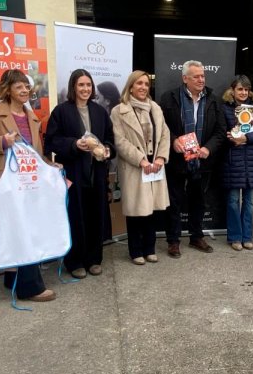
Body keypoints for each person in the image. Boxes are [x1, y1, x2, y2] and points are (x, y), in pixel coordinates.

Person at [0, 69, 56, 302]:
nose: (25, 90)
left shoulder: (32, 117)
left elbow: (34, 153)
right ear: (7, 89)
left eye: (27, 86)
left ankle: (12, 278)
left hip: (28, 183)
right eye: (19, 86)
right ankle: (30, 288)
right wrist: (1, 141)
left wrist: (49, 166)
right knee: (18, 230)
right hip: (3, 183)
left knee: (24, 229)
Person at [45, 68, 115, 278]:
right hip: (74, 174)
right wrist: (75, 144)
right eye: (81, 85)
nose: (85, 89)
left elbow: (111, 138)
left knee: (96, 217)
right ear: (73, 87)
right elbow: (52, 141)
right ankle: (75, 262)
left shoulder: (100, 111)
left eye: (88, 85)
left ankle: (94, 259)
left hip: (97, 174)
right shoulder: (61, 111)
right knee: (75, 218)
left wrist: (107, 150)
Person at [158, 60, 224, 257]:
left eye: (203, 76)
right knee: (175, 201)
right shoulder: (169, 98)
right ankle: (173, 241)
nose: (201, 79)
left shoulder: (213, 99)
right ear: (185, 78)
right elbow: (161, 127)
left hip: (202, 161)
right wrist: (173, 141)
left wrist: (208, 149)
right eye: (196, 76)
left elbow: (221, 131)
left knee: (199, 201)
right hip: (177, 161)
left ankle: (196, 237)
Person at [111, 70, 171, 264]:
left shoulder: (155, 108)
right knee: (136, 209)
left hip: (155, 165)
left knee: (151, 209)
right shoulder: (119, 111)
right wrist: (141, 160)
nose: (143, 87)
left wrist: (161, 157)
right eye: (139, 84)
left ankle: (150, 248)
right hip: (135, 166)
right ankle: (136, 251)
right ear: (130, 87)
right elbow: (119, 141)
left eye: (146, 84)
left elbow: (165, 134)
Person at [219, 75, 253, 251]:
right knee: (233, 201)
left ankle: (247, 236)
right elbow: (220, 133)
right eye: (240, 89)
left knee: (249, 202)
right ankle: (235, 236)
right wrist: (231, 136)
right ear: (232, 90)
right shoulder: (225, 109)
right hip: (232, 162)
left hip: (251, 162)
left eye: (246, 89)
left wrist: (246, 138)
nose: (243, 92)